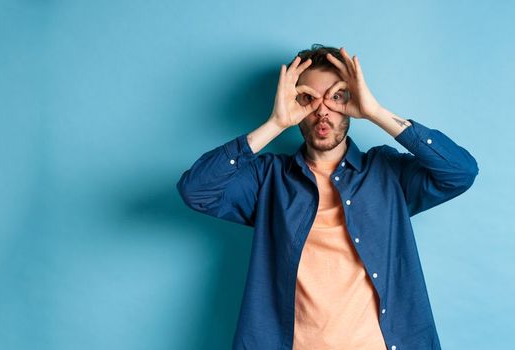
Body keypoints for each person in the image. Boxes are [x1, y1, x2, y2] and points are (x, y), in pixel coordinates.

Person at [177, 44, 479, 350]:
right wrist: (275, 124)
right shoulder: (268, 179)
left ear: (352, 99)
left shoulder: (387, 172)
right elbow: (196, 189)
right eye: (308, 98)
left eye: (336, 96)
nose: (322, 110)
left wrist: (375, 112)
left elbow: (460, 171)